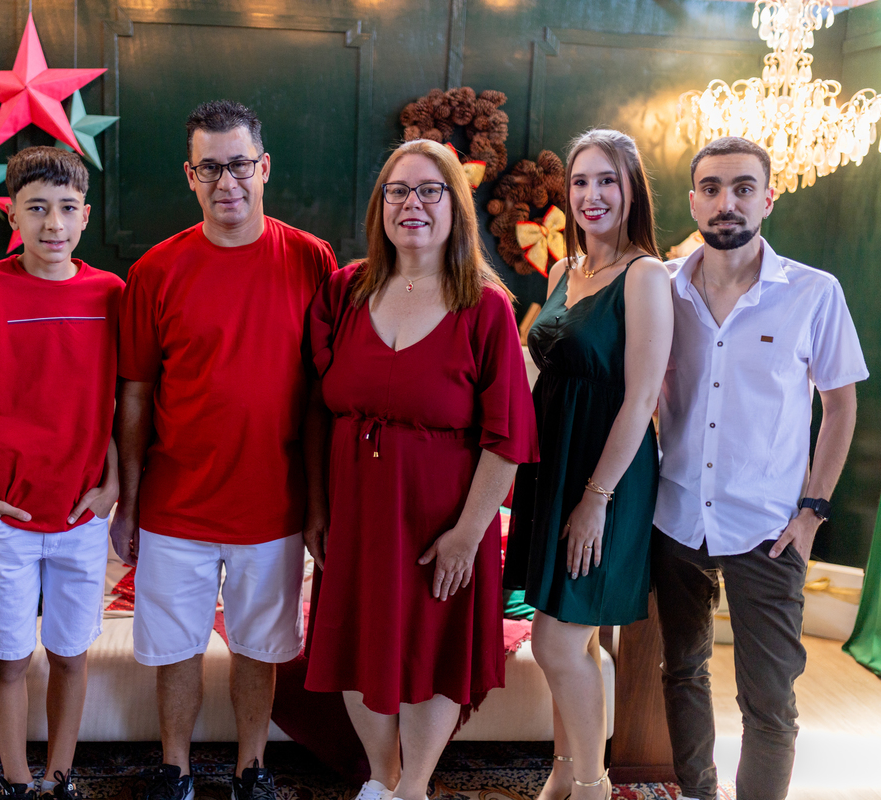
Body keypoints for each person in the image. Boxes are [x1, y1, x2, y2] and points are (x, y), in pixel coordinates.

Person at [110, 99, 337, 800]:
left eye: (239, 165)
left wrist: (318, 505)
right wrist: (127, 501)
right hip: (175, 502)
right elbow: (135, 396)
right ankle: (174, 768)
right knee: (174, 645)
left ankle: (251, 769)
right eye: (210, 168)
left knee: (259, 647)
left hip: (273, 503)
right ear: (190, 176)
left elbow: (323, 397)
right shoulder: (155, 270)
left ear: (264, 168)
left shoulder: (311, 260)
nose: (226, 182)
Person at [303, 138, 539, 800]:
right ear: (380, 206)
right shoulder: (344, 291)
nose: (413, 204)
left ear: (455, 206)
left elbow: (507, 439)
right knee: (359, 645)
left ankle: (414, 788)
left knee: (434, 653)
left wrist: (468, 534)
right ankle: (380, 781)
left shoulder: (485, 307)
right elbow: (314, 409)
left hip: (444, 522)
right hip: (357, 512)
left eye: (430, 191)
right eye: (398, 191)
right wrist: (317, 510)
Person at [653, 136, 866, 800]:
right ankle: (697, 792)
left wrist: (812, 512)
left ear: (768, 199)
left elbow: (839, 407)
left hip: (769, 528)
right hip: (675, 516)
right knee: (681, 670)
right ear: (693, 201)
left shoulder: (814, 292)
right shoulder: (661, 289)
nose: (727, 202)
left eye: (743, 188)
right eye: (712, 188)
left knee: (770, 702)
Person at [504, 129, 673, 800]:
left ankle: (593, 786)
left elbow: (641, 397)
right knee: (570, 638)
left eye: (607, 180)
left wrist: (595, 498)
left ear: (632, 190)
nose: (591, 194)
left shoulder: (646, 275)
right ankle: (563, 771)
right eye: (581, 181)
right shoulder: (561, 271)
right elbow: (541, 369)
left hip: (607, 475)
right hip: (553, 465)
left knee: (554, 642)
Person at [0, 146, 122, 800]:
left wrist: (111, 486)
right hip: (6, 514)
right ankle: (18, 782)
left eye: (67, 209)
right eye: (37, 209)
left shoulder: (110, 294)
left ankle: (60, 775)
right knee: (9, 658)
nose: (54, 223)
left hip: (80, 515)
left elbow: (117, 401)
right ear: (12, 215)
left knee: (71, 655)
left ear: (85, 216)